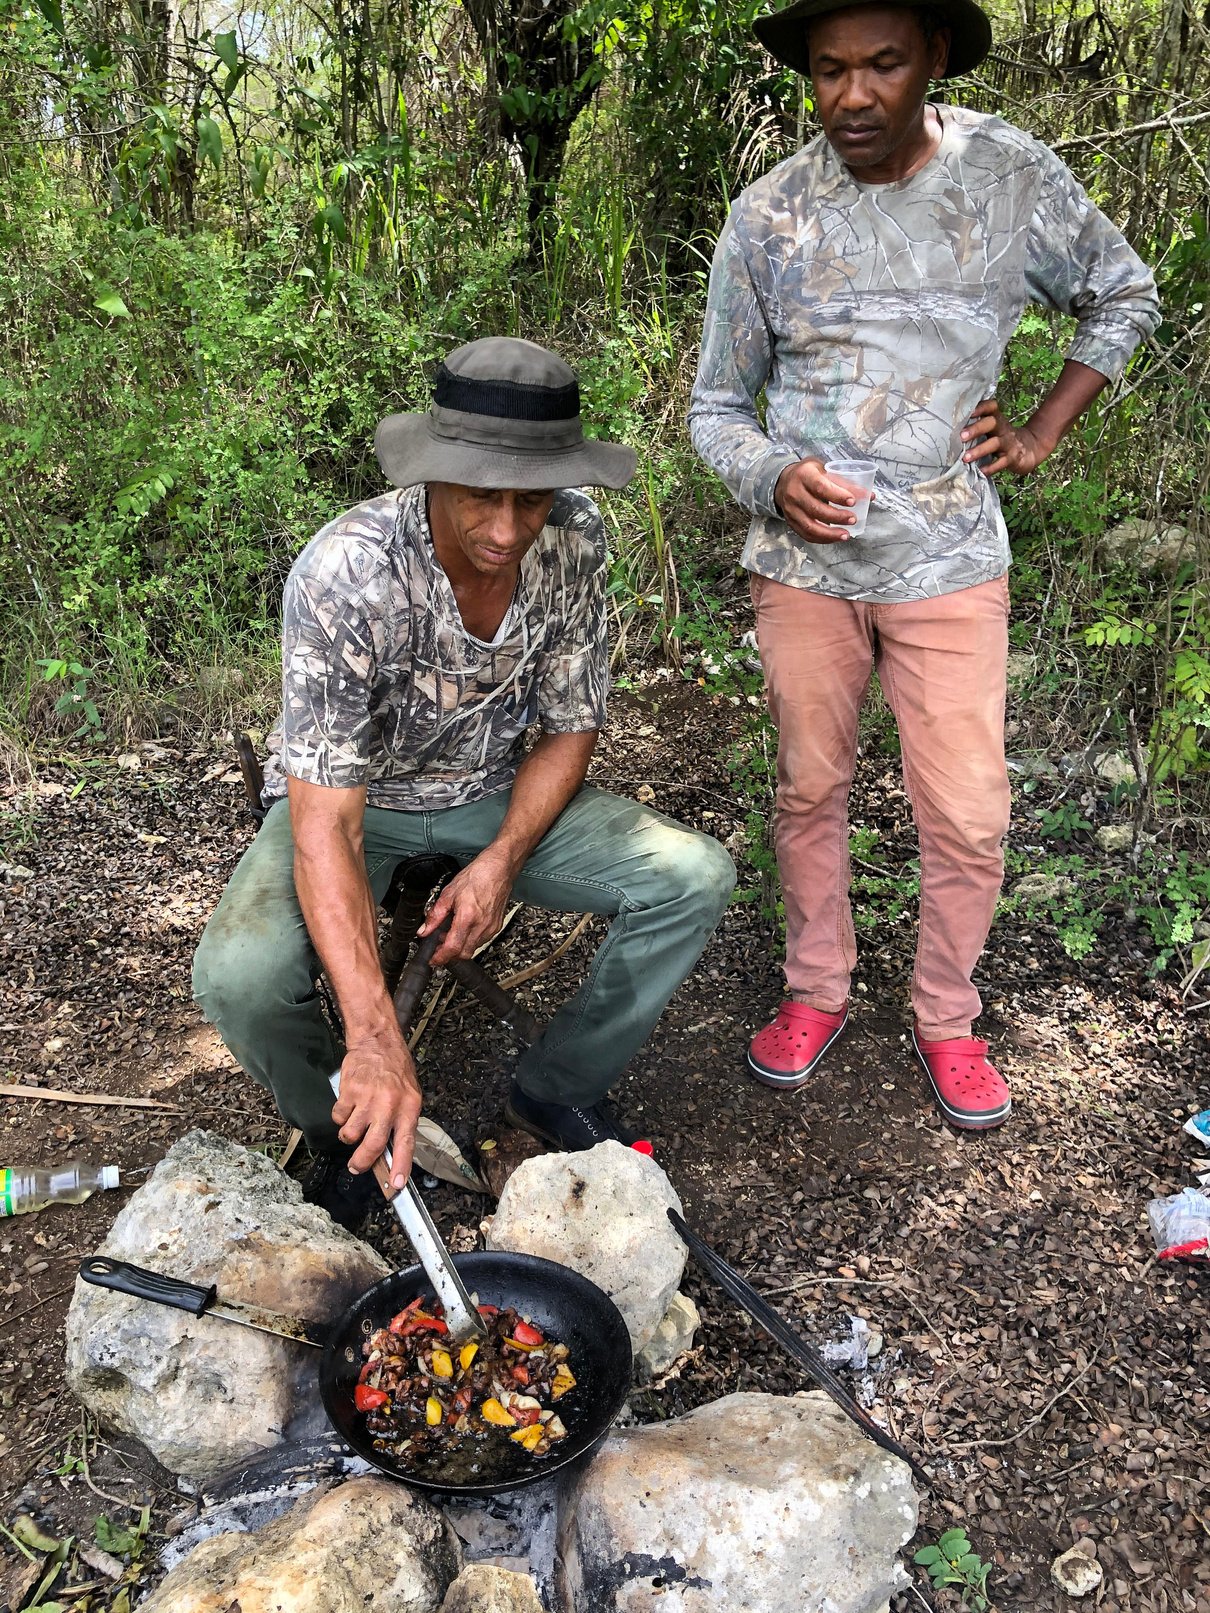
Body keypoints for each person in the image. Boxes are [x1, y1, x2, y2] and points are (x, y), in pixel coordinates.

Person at [689, 0, 1159, 1129]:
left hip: (949, 557)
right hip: (805, 567)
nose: (852, 95)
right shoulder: (769, 213)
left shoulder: (1008, 176)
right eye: (828, 70)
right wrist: (772, 476)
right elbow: (715, 407)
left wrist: (1040, 429)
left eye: (882, 65)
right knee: (809, 787)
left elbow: (1122, 292)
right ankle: (815, 988)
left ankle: (947, 1014)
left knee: (969, 808)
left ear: (934, 58)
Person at [194, 337, 735, 1225]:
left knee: (694, 877)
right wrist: (376, 1037)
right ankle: (344, 1127)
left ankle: (556, 1086)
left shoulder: (575, 538)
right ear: (435, 472)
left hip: (494, 791)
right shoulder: (347, 573)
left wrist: (502, 859)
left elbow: (570, 727)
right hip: (356, 801)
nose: (509, 529)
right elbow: (327, 824)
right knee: (238, 978)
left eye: (533, 498)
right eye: (484, 494)